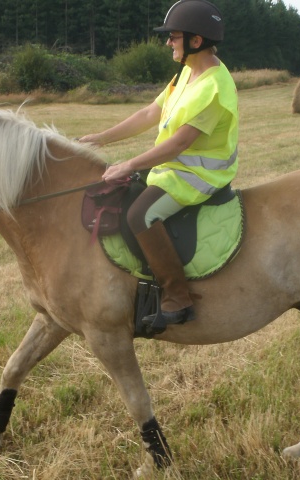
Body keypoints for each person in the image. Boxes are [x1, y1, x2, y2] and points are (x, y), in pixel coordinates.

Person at [79, 0, 239, 329]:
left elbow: (180, 143)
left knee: (141, 214)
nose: (168, 42)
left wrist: (129, 164)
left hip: (198, 175)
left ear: (196, 41)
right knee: (127, 196)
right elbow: (149, 113)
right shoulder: (187, 74)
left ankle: (177, 295)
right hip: (175, 170)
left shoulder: (213, 87)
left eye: (173, 36)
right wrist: (101, 138)